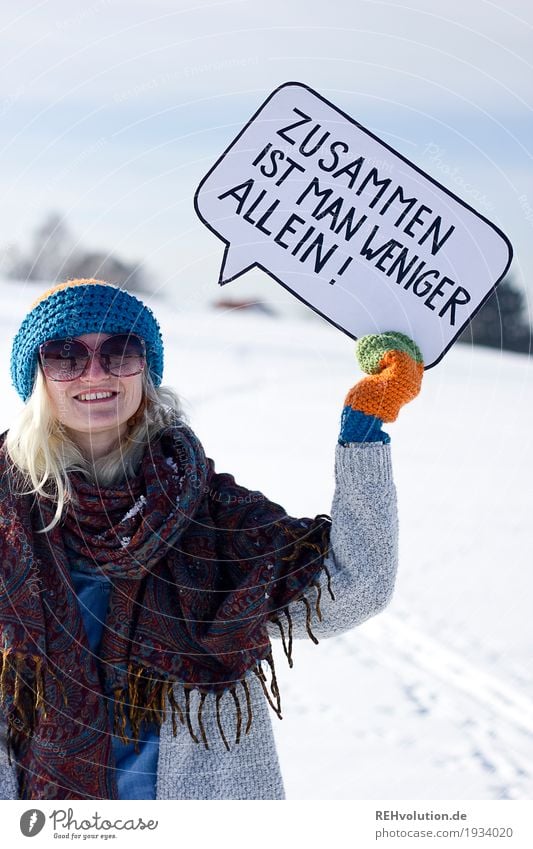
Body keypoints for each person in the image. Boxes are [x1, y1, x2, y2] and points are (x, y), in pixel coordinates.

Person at [0, 278, 423, 800]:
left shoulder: (209, 511)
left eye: (120, 351)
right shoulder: (7, 518)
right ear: (36, 378)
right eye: (66, 356)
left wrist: (364, 430)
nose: (96, 373)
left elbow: (355, 586)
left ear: (146, 371)